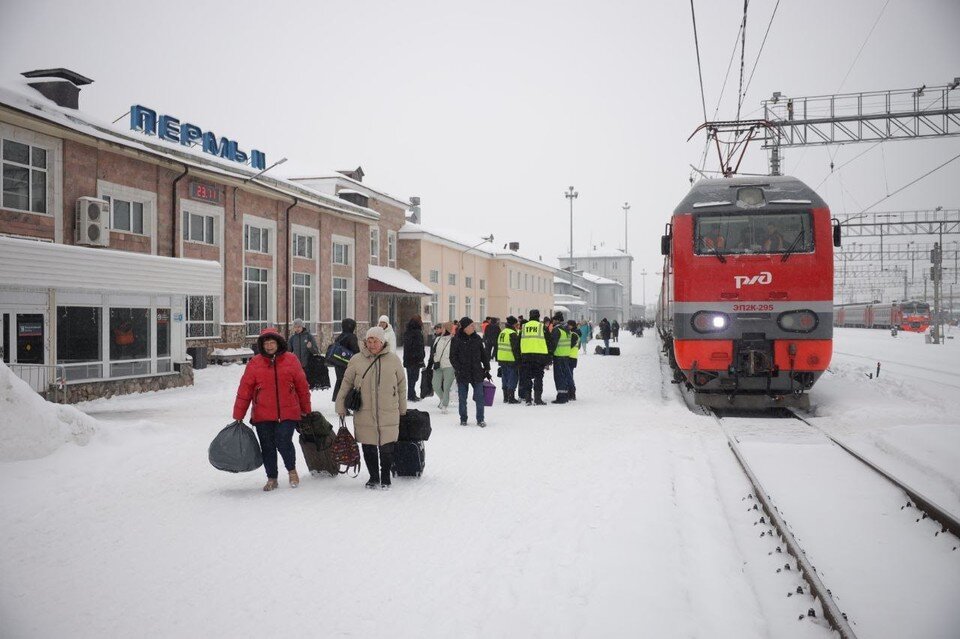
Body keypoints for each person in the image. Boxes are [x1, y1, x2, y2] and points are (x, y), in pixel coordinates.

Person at [233, 327, 311, 492]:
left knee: (283, 441)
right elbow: (244, 390)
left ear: (278, 343)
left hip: (288, 412)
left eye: (272, 342)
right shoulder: (255, 363)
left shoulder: (291, 360)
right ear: (262, 345)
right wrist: (238, 414)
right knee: (267, 446)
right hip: (262, 413)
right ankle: (272, 478)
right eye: (266, 343)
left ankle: (291, 470)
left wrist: (306, 409)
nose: (269, 346)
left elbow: (302, 386)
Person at [335, 326, 406, 490]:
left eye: (376, 341)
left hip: (388, 410)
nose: (372, 344)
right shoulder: (356, 360)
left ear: (383, 342)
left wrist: (402, 407)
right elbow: (345, 384)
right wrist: (340, 405)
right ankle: (374, 477)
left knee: (387, 447)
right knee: (368, 446)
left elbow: (402, 385)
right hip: (364, 411)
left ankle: (386, 476)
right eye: (369, 340)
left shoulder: (393, 360)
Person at [450, 316, 491, 427]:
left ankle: (480, 419)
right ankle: (463, 419)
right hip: (462, 373)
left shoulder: (477, 338)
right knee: (463, 398)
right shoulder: (456, 339)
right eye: (471, 325)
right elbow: (452, 357)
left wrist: (487, 368)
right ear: (465, 328)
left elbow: (483, 354)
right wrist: (458, 369)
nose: (474, 327)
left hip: (476, 372)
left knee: (479, 397)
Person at [518, 309, 549, 405]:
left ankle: (528, 399)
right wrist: (548, 356)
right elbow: (549, 341)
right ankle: (537, 399)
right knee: (538, 377)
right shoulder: (542, 327)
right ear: (538, 316)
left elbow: (518, 342)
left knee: (527, 377)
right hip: (539, 356)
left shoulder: (524, 327)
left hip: (526, 356)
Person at [331, 318, 360, 405]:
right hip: (348, 364)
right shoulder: (352, 337)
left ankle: (338, 400)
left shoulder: (340, 337)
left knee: (340, 382)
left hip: (338, 363)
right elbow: (356, 351)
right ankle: (345, 403)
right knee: (348, 384)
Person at [496, 316, 521, 404]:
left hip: (502, 358)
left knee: (504, 377)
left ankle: (505, 396)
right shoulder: (512, 333)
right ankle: (511, 397)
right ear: (513, 324)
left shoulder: (503, 332)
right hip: (511, 358)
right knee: (512, 377)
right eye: (516, 324)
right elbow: (515, 349)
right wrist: (518, 359)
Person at [431, 322, 455, 413]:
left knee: (446, 386)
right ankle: (442, 398)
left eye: (443, 328)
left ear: (447, 329)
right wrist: (432, 362)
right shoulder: (437, 339)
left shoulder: (453, 340)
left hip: (449, 366)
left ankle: (445, 405)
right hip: (438, 365)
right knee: (435, 384)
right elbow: (433, 352)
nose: (441, 329)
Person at [547, 311, 571, 404]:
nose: (552, 322)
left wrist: (549, 355)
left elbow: (553, 344)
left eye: (553, 320)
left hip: (559, 356)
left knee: (559, 377)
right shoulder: (567, 329)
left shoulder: (557, 330)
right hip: (566, 355)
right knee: (565, 376)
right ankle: (565, 395)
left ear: (556, 320)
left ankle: (561, 397)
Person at [402, 315, 426, 402]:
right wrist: (421, 357)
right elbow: (419, 346)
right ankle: (411, 395)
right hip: (415, 359)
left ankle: (411, 394)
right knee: (414, 378)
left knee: (410, 378)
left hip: (408, 359)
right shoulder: (417, 333)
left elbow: (406, 346)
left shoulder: (407, 332)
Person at [566, 320, 581, 400]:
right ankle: (571, 393)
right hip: (573, 357)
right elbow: (579, 347)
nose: (567, 326)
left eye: (568, 325)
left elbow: (569, 345)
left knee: (569, 376)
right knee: (570, 375)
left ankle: (571, 393)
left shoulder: (573, 334)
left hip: (570, 356)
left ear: (572, 326)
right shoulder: (576, 334)